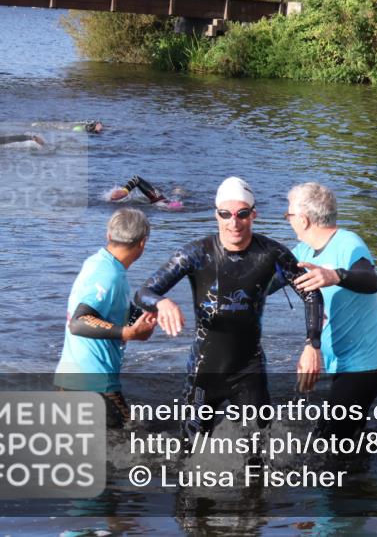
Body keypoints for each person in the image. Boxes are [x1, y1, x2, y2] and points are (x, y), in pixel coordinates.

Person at [134, 177, 325, 436]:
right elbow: (143, 292)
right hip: (204, 369)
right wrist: (162, 302)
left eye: (242, 214)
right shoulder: (195, 253)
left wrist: (312, 345)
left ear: (253, 214)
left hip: (249, 369)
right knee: (190, 454)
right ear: (216, 215)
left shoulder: (271, 253)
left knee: (258, 452)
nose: (233, 223)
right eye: (225, 214)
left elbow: (311, 293)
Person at [285, 182, 377, 439]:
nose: (287, 220)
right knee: (346, 439)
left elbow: (370, 281)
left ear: (303, 219)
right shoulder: (304, 251)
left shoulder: (348, 243)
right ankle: (361, 474)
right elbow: (265, 282)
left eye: (288, 215)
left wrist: (335, 276)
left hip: (366, 366)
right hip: (342, 363)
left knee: (328, 442)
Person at [55, 209, 158, 428]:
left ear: (109, 236)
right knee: (132, 442)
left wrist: (145, 315)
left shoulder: (100, 263)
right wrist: (127, 333)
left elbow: (111, 306)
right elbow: (79, 321)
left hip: (71, 378)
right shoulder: (108, 275)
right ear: (143, 243)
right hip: (94, 383)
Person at [107, 175, 182, 210]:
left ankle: (178, 191)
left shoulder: (159, 202)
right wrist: (125, 191)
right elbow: (137, 179)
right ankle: (178, 191)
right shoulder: (157, 198)